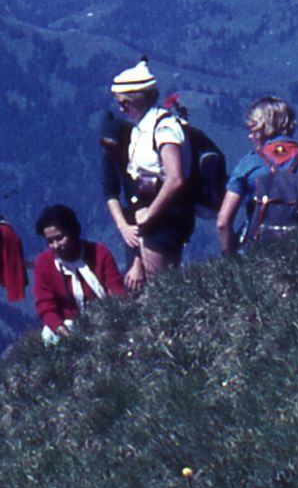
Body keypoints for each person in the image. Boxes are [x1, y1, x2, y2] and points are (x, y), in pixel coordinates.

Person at [104, 60, 193, 289]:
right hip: (153, 215)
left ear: (138, 99)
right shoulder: (143, 127)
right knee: (158, 285)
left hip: (164, 217)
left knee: (159, 288)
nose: (122, 110)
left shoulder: (164, 128)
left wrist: (150, 215)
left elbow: (175, 178)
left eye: (125, 104)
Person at [215, 97, 298, 254]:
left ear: (263, 128)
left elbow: (223, 223)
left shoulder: (248, 165)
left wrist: (230, 258)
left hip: (256, 256)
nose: (250, 136)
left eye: (252, 129)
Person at [31, 202, 126, 342]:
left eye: (60, 238)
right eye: (50, 241)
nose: (56, 246)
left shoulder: (99, 253)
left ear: (73, 232)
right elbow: (45, 306)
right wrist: (62, 330)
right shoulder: (43, 263)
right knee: (48, 335)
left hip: (105, 317)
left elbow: (116, 289)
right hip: (70, 325)